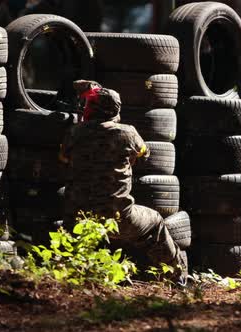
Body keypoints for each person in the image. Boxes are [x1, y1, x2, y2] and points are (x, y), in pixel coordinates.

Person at [60, 80, 185, 275]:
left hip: (77, 216)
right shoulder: (128, 133)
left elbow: (63, 157)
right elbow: (145, 153)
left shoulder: (74, 133)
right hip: (117, 217)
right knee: (156, 223)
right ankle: (178, 276)